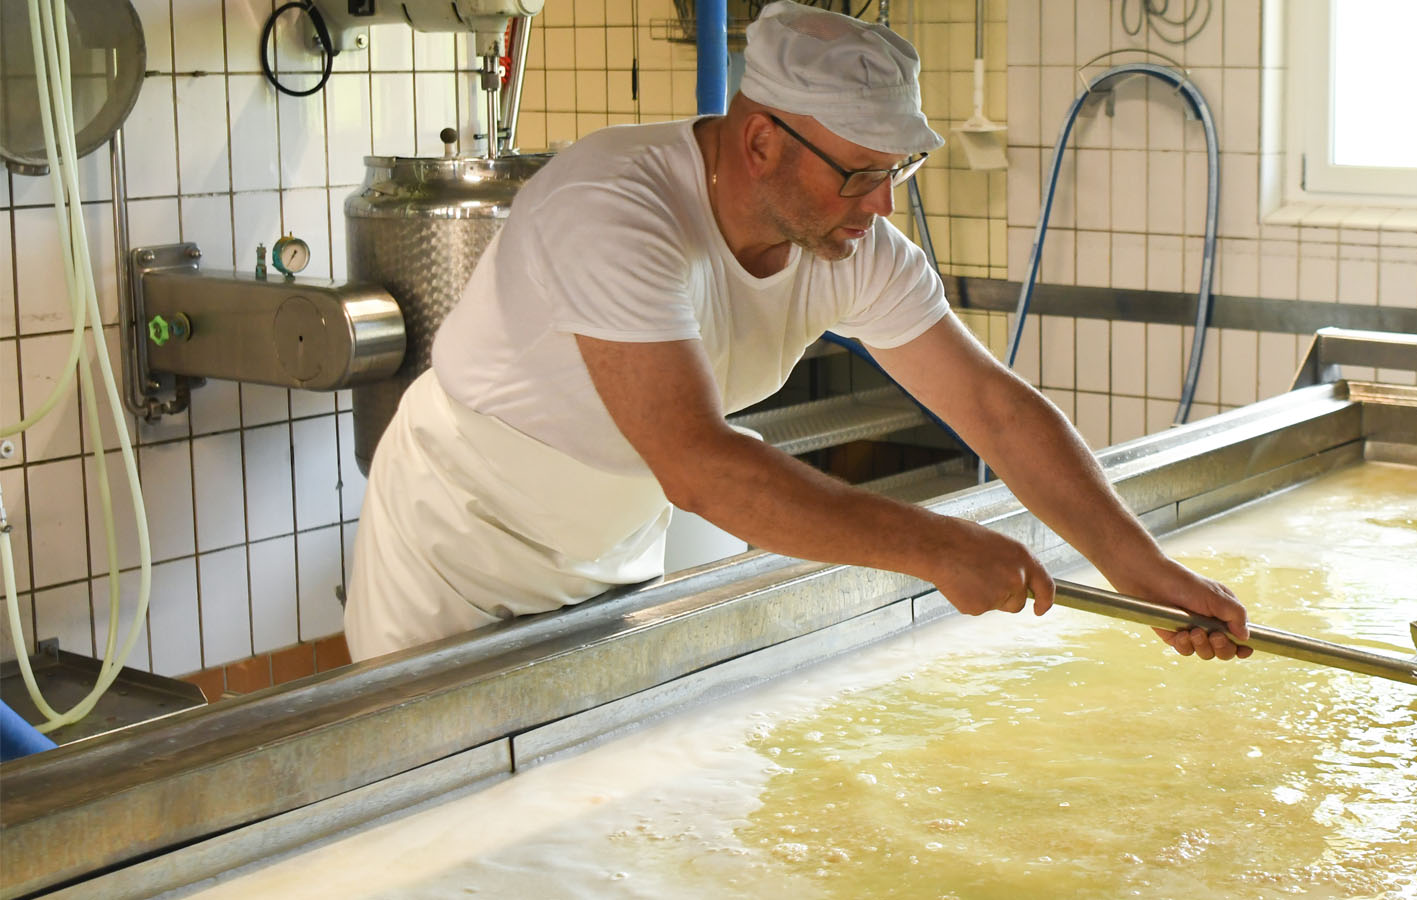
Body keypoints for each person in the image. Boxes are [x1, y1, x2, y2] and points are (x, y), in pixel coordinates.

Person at [343, 1, 1251, 664]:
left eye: (895, 171)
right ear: (761, 141)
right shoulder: (612, 208)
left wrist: (1139, 565)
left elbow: (991, 406)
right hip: (456, 546)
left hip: (614, 541)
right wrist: (936, 548)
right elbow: (699, 466)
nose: (882, 204)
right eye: (858, 173)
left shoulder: (850, 243)